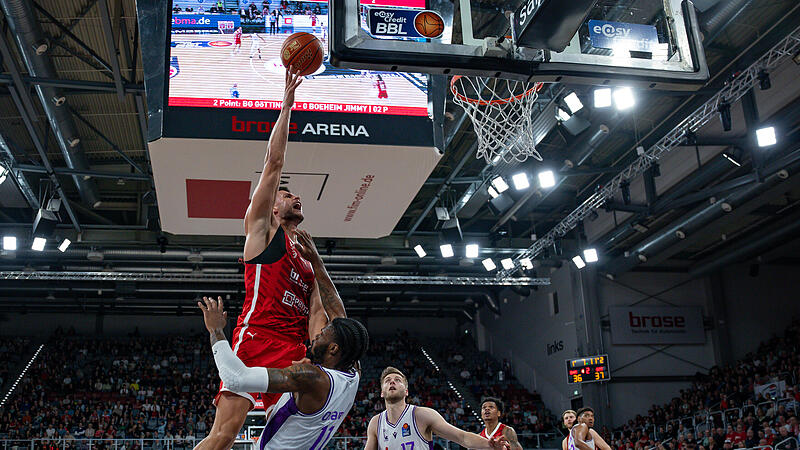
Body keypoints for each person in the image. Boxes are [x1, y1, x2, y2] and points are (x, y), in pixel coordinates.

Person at [194, 69, 334, 450]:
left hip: (294, 351)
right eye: (287, 195)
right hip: (255, 338)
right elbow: (273, 162)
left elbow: (317, 317)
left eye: (295, 196)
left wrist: (319, 354)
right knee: (223, 436)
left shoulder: (308, 259)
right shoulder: (262, 234)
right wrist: (287, 105)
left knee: (292, 438)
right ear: (271, 207)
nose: (295, 198)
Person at [197, 296, 368, 449]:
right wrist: (316, 264)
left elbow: (235, 378)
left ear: (333, 348)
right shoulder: (353, 375)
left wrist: (216, 331)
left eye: (323, 334)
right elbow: (339, 313)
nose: (316, 336)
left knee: (222, 436)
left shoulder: (311, 377)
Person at [364, 367, 509, 449]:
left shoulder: (422, 415)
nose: (392, 382)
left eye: (397, 380)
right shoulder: (376, 423)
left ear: (406, 391)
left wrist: (489, 445)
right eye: (387, 381)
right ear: (382, 392)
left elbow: (461, 437)